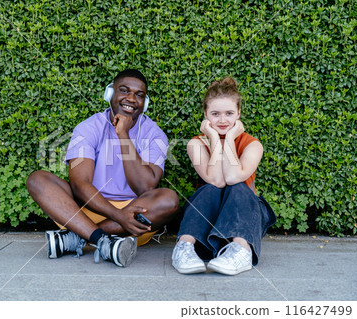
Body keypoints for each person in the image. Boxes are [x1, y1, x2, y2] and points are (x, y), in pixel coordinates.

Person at [27, 69, 179, 267]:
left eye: (139, 95)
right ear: (110, 94)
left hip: (132, 220)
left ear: (145, 103)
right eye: (124, 91)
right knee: (38, 180)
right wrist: (117, 215)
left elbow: (145, 187)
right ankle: (101, 240)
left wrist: (123, 134)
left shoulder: (155, 134)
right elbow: (80, 184)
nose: (131, 98)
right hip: (87, 212)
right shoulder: (88, 128)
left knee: (169, 200)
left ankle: (77, 239)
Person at [171, 77, 276, 275]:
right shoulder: (196, 143)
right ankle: (184, 248)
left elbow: (233, 177)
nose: (222, 120)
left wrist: (228, 138)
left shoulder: (253, 144)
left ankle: (241, 250)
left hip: (242, 223)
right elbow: (217, 180)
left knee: (238, 187)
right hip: (205, 227)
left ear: (239, 113)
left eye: (229, 113)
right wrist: (213, 138)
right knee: (209, 189)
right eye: (215, 114)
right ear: (205, 115)